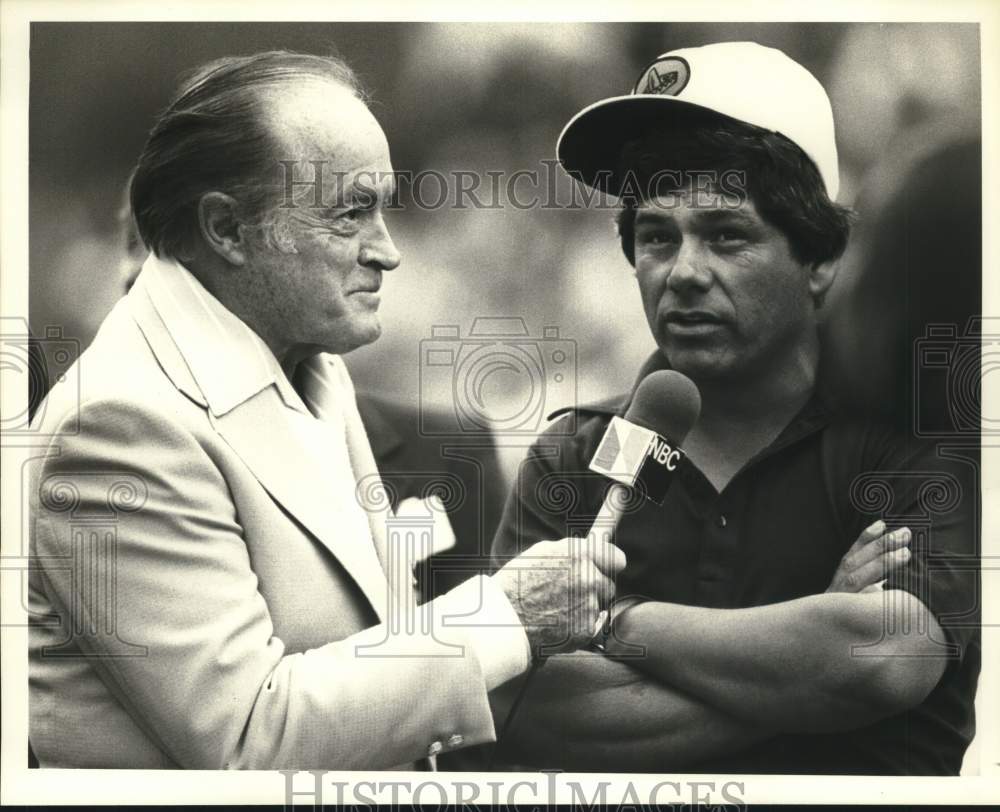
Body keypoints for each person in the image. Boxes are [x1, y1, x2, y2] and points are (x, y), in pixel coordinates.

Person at [27, 50, 625, 770]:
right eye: (352, 214)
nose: (390, 251)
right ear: (227, 229)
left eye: (385, 205)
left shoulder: (302, 353)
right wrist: (505, 615)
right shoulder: (120, 423)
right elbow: (251, 739)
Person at [491, 41, 979, 775]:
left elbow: (883, 660)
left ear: (821, 261)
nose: (683, 273)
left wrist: (617, 623)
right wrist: (807, 658)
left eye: (726, 235)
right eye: (656, 237)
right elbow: (523, 714)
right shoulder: (571, 453)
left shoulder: (915, 437)